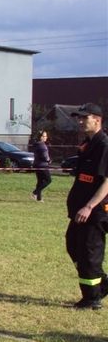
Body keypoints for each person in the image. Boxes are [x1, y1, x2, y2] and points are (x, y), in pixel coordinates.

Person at [65, 103, 108, 310]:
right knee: (73, 244)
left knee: (90, 252)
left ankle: (92, 298)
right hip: (79, 209)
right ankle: (103, 284)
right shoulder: (88, 144)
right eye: (78, 118)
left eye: (84, 118)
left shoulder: (104, 145)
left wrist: (89, 206)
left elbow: (107, 181)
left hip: (95, 210)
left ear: (97, 120)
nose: (80, 121)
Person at [32, 129, 52, 202]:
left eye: (46, 136)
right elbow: (45, 156)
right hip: (43, 165)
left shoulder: (36, 144)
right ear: (40, 137)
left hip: (36, 165)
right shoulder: (42, 145)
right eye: (44, 136)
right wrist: (49, 160)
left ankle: (39, 198)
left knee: (40, 181)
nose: (46, 137)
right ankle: (35, 192)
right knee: (48, 180)